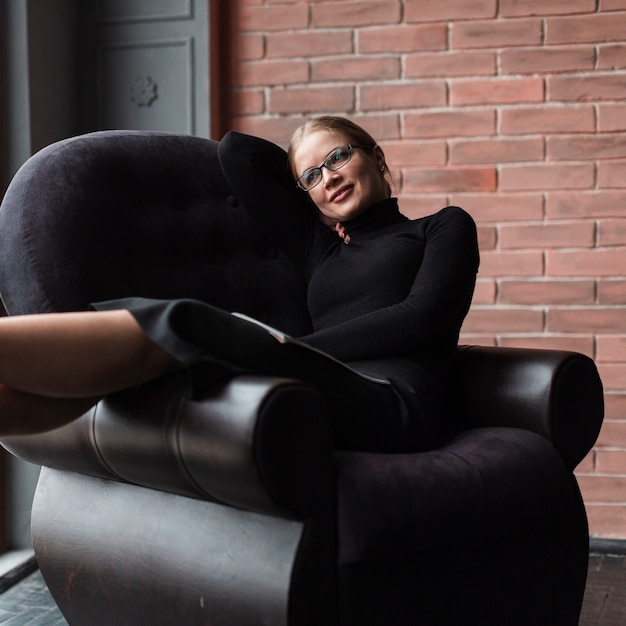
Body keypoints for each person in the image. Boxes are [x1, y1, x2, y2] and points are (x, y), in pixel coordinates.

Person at [0, 116, 479, 452]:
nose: (328, 177)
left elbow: (422, 320)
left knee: (187, 323)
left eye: (337, 156)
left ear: (375, 156)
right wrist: (306, 175)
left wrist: (292, 348)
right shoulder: (320, 249)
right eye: (311, 176)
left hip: (395, 401)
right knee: (149, 369)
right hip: (315, 379)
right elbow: (237, 152)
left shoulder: (441, 227)